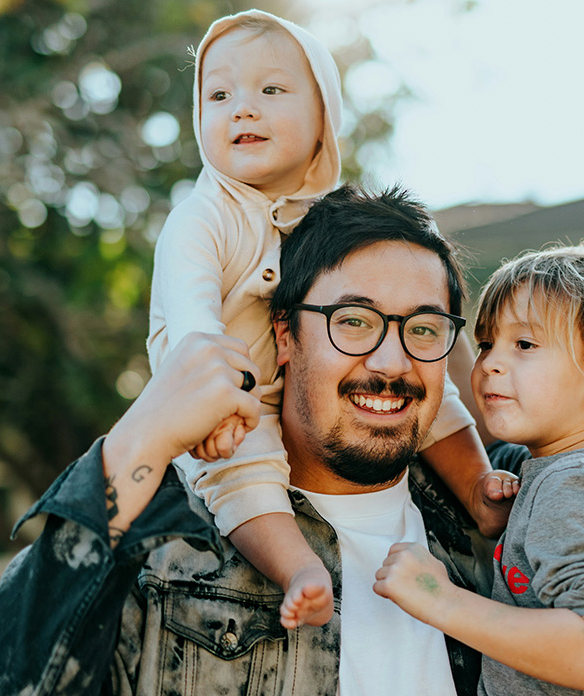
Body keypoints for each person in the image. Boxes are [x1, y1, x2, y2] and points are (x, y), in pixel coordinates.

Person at [0, 185, 517, 696]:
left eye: (422, 328)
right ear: (284, 335)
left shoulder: (513, 521)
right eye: (353, 321)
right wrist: (139, 438)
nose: (392, 361)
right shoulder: (170, 550)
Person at [147, 9, 511, 630]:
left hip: (281, 388)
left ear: (324, 121)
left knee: (432, 389)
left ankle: (478, 488)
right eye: (219, 94)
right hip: (225, 401)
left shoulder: (330, 223)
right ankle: (299, 568)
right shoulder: (203, 217)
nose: (243, 109)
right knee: (244, 475)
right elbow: (192, 324)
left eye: (270, 90)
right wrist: (213, 405)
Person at [374, 242, 584, 694]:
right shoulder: (556, 473)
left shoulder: (573, 487)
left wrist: (441, 600)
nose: (491, 364)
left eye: (524, 343)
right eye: (486, 343)